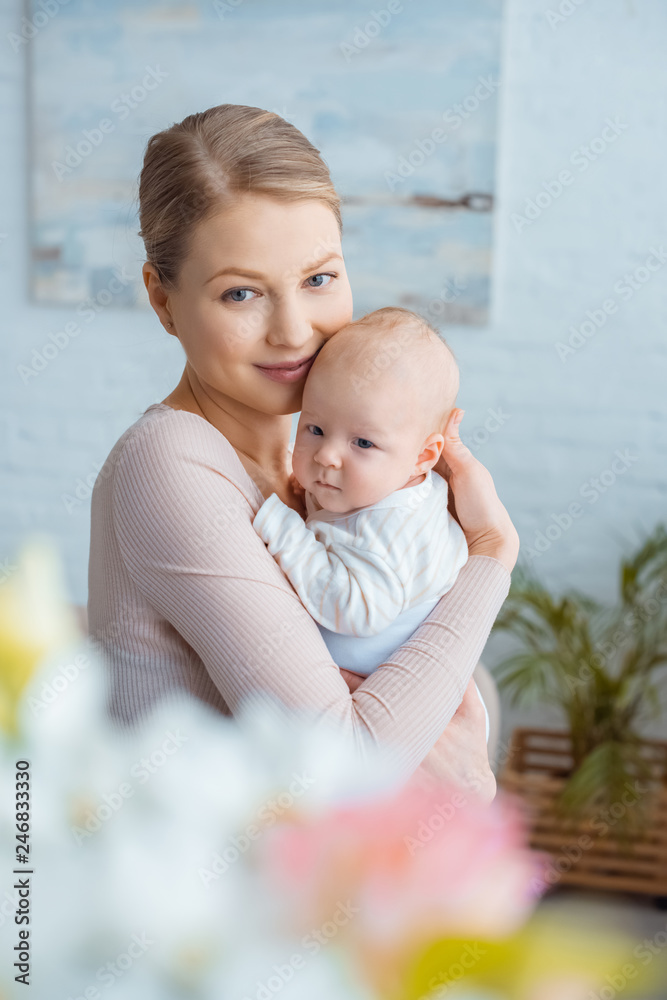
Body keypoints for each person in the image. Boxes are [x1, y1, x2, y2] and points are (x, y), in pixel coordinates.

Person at [87, 104, 519, 800]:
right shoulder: (168, 464)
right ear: (162, 301)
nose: (293, 332)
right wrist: (493, 552)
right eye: (240, 293)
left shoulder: (313, 458)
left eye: (318, 279)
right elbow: (344, 765)